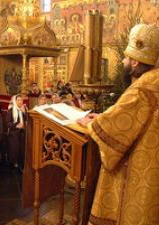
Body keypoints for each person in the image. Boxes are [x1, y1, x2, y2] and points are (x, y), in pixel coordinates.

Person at [78, 24, 159, 225]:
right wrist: (103, 117)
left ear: (134, 63)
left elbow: (113, 129)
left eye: (125, 58)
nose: (123, 61)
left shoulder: (140, 89)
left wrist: (92, 124)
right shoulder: (156, 80)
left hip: (135, 169)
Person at [6, 95, 27, 171]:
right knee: (14, 150)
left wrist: (24, 112)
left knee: (22, 149)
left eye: (21, 100)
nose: (20, 101)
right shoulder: (11, 110)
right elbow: (7, 123)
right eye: (18, 100)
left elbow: (27, 120)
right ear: (15, 101)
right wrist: (16, 126)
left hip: (22, 133)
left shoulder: (24, 109)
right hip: (14, 133)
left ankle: (20, 163)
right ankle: (13, 163)